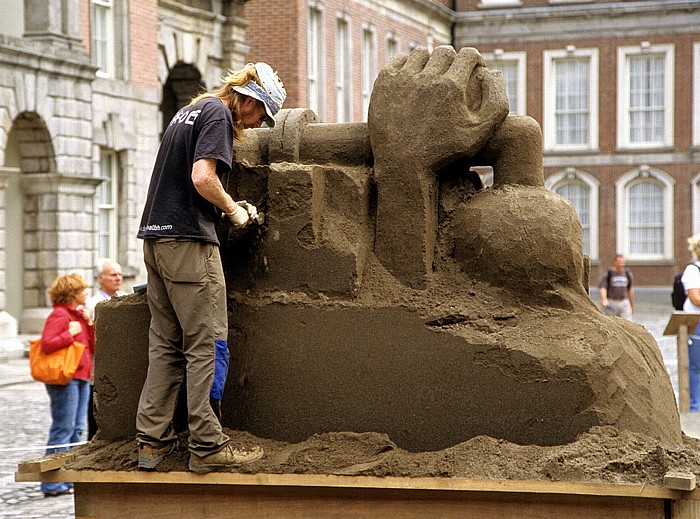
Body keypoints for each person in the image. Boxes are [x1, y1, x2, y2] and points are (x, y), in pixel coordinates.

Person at [135, 62, 286, 473]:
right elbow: (203, 177)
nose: (258, 125)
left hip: (156, 238)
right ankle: (206, 445)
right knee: (206, 343)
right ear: (250, 100)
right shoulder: (220, 114)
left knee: (165, 343)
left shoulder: (192, 110)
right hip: (187, 242)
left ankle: (152, 442)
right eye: (262, 114)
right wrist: (235, 211)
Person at [40, 273, 95, 497]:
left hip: (81, 377)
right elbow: (47, 343)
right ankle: (52, 482)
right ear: (72, 293)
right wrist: (68, 334)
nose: (86, 293)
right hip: (65, 378)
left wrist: (89, 325)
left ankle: (69, 478)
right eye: (82, 290)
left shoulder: (78, 316)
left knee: (77, 429)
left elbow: (91, 346)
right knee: (63, 428)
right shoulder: (60, 315)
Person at [85, 260, 123, 440]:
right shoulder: (93, 304)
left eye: (120, 275)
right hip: (99, 368)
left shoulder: (124, 299)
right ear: (101, 279)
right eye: (113, 275)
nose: (118, 279)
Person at [682, 235, 700, 412]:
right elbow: (695, 298)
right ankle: (695, 407)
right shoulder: (693, 270)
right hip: (696, 321)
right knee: (696, 366)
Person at [598, 254, 634, 320]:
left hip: (624, 302)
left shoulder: (627, 274)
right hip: (612, 302)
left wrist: (631, 304)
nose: (621, 264)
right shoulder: (609, 274)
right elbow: (603, 288)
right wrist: (604, 299)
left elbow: (630, 289)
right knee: (611, 322)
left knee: (627, 322)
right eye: (619, 262)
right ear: (615, 262)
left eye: (623, 262)